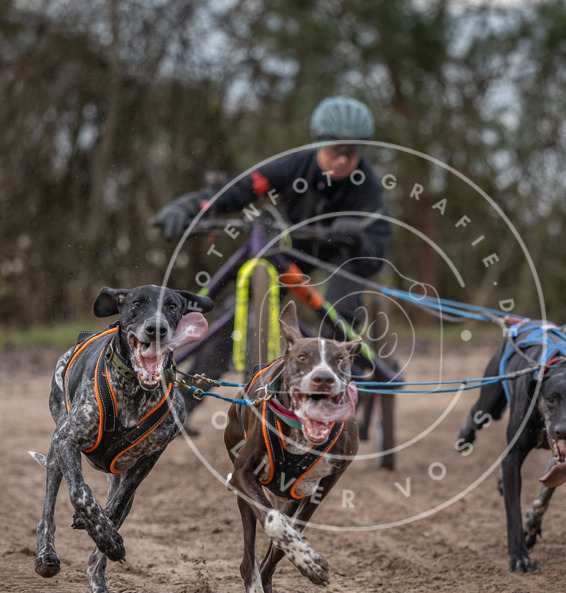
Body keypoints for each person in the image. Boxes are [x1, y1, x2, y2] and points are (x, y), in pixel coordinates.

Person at [153, 96, 393, 413]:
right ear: (319, 144)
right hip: (299, 247)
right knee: (236, 310)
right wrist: (191, 206)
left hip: (346, 254)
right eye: (336, 150)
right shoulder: (293, 165)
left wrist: (358, 239)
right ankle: (184, 405)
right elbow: (239, 190)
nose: (343, 160)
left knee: (340, 307)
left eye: (351, 152)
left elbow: (376, 251)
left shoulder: (368, 186)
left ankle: (337, 387)